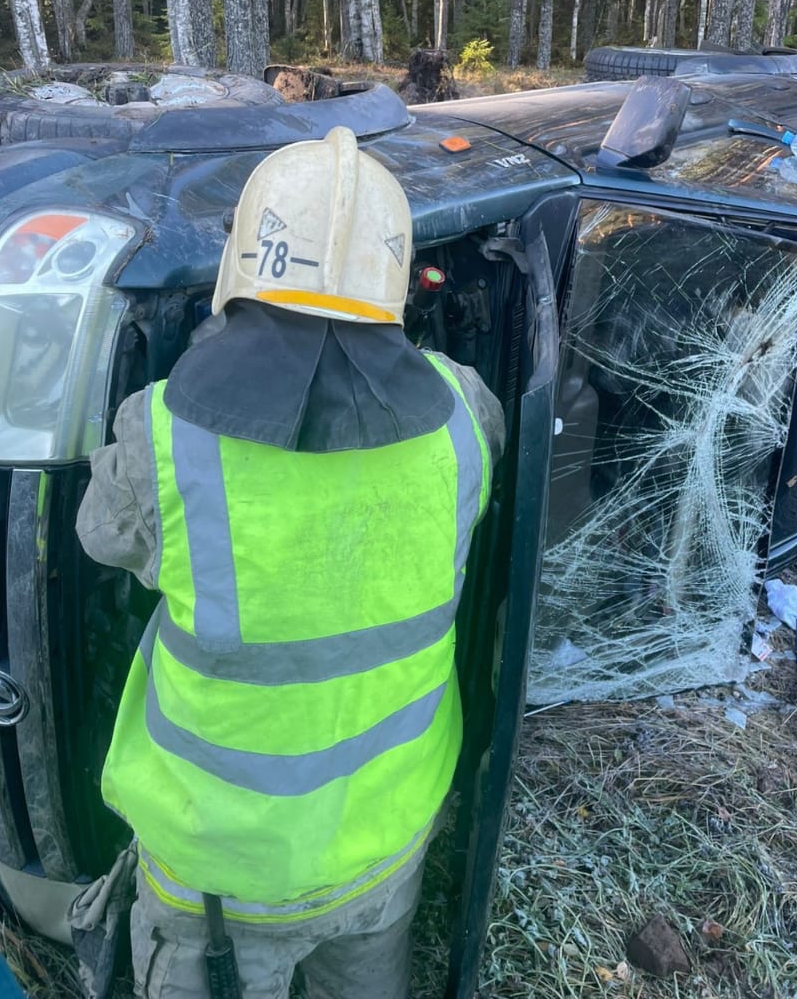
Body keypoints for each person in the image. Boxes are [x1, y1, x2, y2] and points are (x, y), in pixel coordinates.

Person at [76, 126, 504, 999]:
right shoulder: (468, 413)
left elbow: (98, 538)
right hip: (383, 847)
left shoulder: (159, 430)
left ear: (242, 259)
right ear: (394, 276)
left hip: (220, 880)